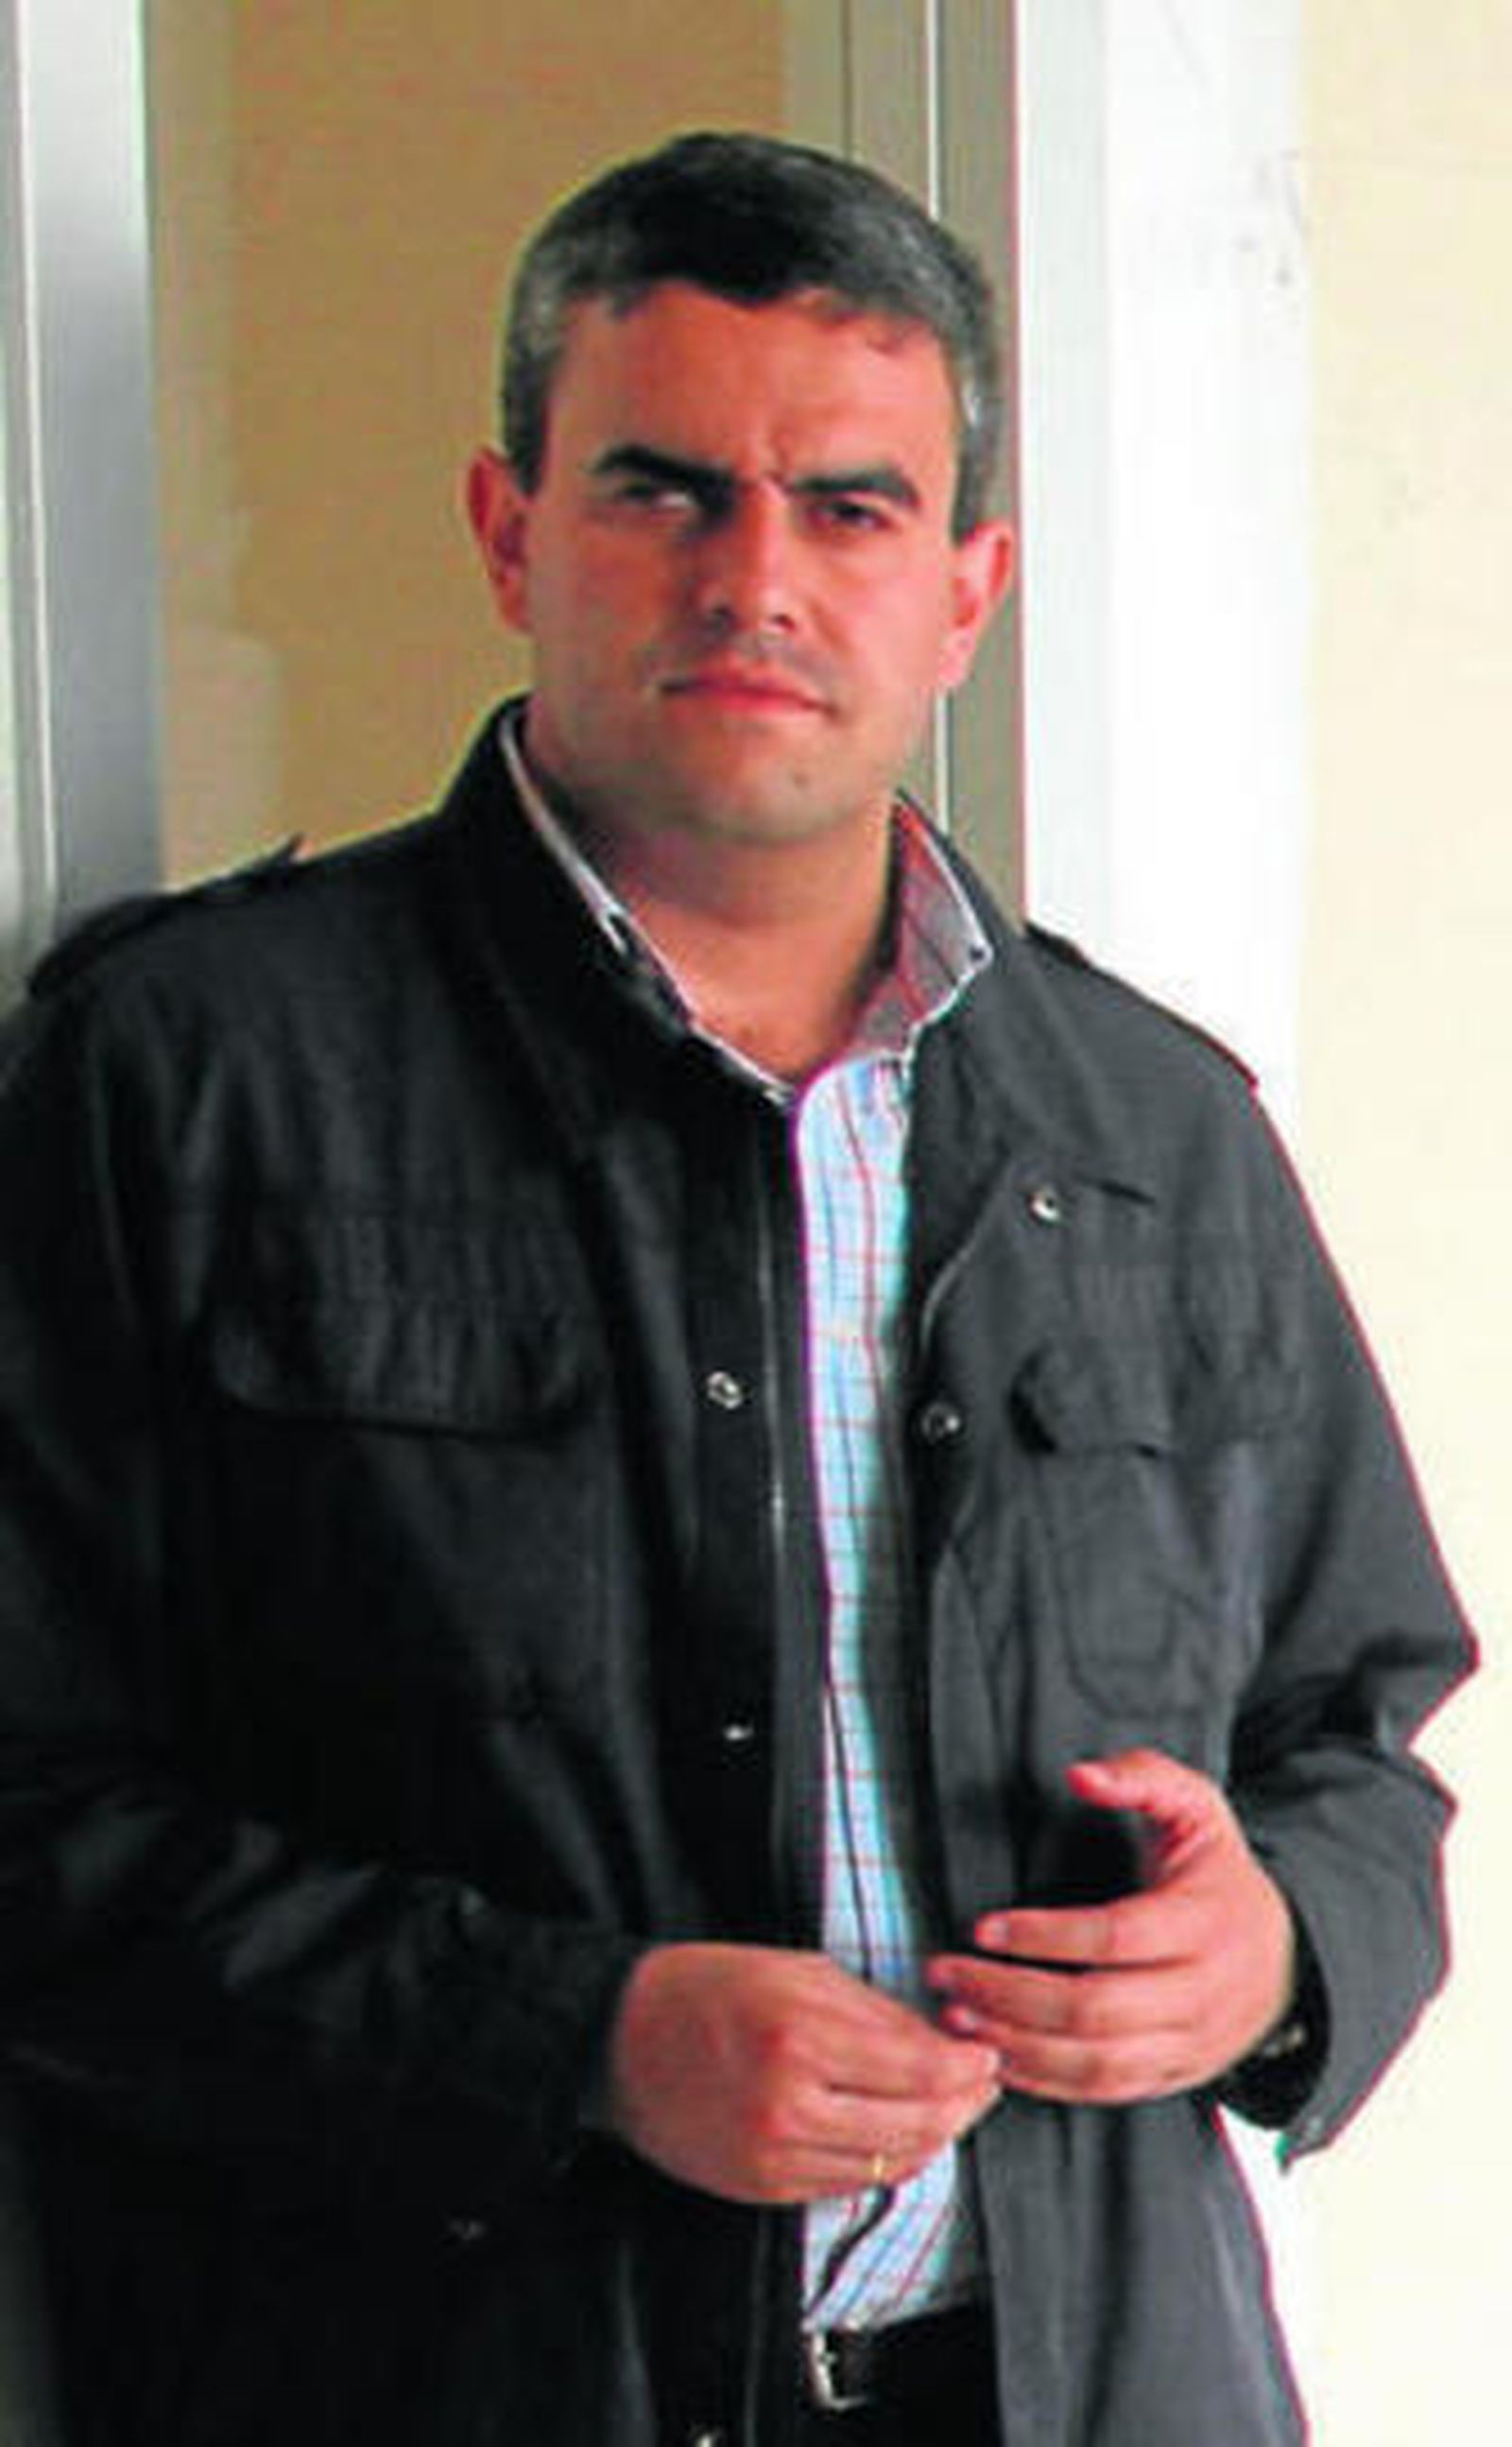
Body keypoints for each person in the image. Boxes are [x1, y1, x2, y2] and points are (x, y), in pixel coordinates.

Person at [0, 129, 1472, 2447]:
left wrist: (1275, 1947)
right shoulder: (184, 1078)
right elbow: (33, 1810)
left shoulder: (1151, 1124)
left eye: (849, 508)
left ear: (966, 588)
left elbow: (1352, 1740)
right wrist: (571, 2038)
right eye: (661, 490)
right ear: (510, 529)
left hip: (1084, 2383)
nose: (753, 578)